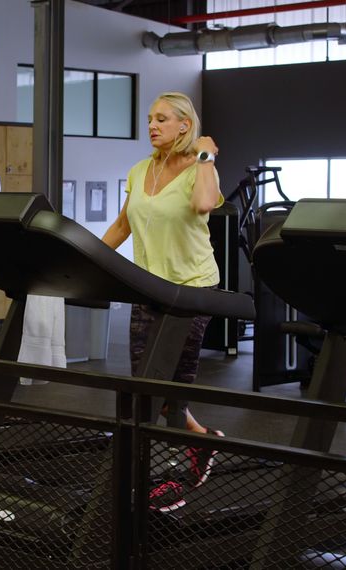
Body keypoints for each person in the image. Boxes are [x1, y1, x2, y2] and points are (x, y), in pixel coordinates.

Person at [101, 91, 224, 513]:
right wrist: (89, 263)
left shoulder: (200, 170)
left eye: (162, 119)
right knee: (145, 385)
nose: (152, 125)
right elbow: (122, 224)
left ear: (184, 125)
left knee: (169, 384)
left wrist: (205, 157)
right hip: (147, 288)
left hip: (192, 288)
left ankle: (165, 475)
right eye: (150, 119)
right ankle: (201, 442)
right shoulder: (139, 170)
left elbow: (204, 204)